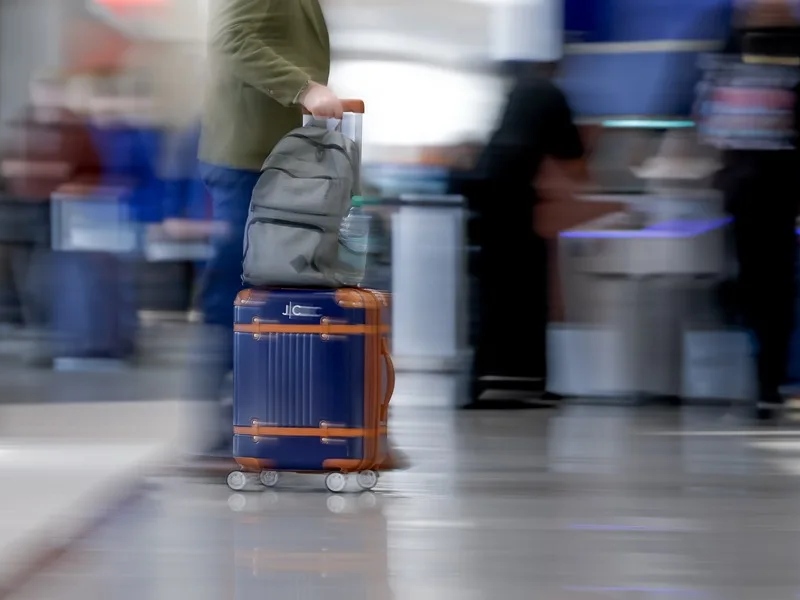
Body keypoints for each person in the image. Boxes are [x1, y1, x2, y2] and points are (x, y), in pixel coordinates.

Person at [192, 0, 342, 455]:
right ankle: (219, 428)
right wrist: (302, 89)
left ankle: (262, 416)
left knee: (267, 286)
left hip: (270, 159)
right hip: (243, 160)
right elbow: (230, 39)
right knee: (235, 287)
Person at [463, 60, 587, 406]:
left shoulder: (516, 90)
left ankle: (492, 378)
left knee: (493, 292)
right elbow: (573, 158)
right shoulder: (550, 93)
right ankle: (523, 380)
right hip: (513, 200)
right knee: (527, 290)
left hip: (487, 199)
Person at [708, 0, 800, 420]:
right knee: (762, 285)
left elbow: (708, 114)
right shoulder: (733, 47)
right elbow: (708, 113)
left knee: (767, 286)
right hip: (755, 189)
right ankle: (767, 382)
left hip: (766, 188)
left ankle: (768, 383)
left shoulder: (737, 48)